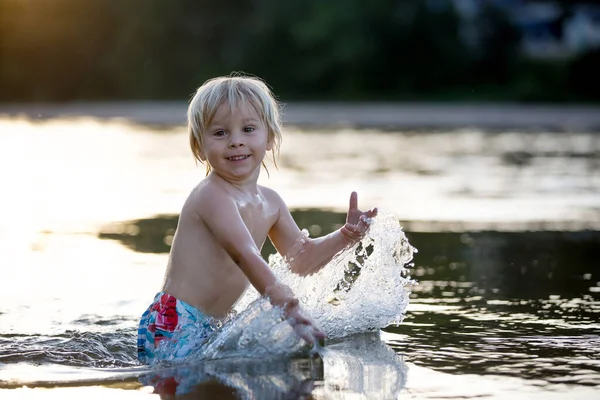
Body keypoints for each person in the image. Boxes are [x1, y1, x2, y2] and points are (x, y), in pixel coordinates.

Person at [137, 74, 377, 364]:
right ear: (200, 146)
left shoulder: (271, 202)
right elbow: (245, 255)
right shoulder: (212, 196)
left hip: (213, 324)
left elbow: (301, 259)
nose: (236, 142)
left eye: (248, 129)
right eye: (220, 133)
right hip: (175, 322)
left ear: (270, 138)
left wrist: (346, 236)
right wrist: (289, 307)